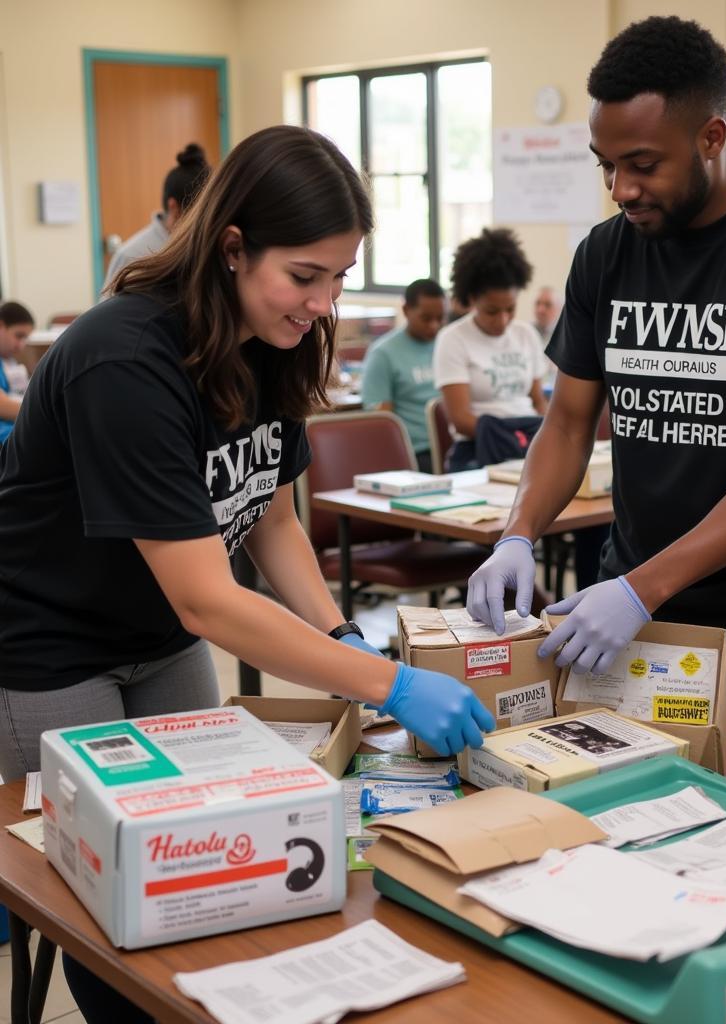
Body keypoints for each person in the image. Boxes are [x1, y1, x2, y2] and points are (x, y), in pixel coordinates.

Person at [0, 125, 494, 1023]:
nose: (323, 301)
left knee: (204, 855)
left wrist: (339, 634)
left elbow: (269, 516)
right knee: (105, 888)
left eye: (341, 275)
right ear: (232, 247)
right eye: (305, 275)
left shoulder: (274, 339)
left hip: (162, 635)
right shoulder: (126, 357)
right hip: (49, 644)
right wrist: (388, 677)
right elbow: (209, 596)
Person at [466, 16, 726, 710]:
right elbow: (567, 425)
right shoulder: (605, 254)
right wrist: (518, 533)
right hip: (628, 612)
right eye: (607, 164)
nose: (621, 187)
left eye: (643, 164)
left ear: (710, 137)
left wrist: (641, 588)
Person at [434, 227, 549, 470]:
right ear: (472, 299)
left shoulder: (526, 335)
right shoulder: (453, 339)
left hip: (528, 441)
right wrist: (511, 433)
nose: (503, 320)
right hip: (477, 449)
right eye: (492, 311)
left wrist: (541, 432)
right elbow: (461, 419)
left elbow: (539, 402)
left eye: (510, 309)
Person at [361, 278, 445, 472]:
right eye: (426, 318)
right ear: (406, 310)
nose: (434, 326)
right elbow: (381, 418)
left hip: (451, 444)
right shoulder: (383, 354)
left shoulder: (448, 345)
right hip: (416, 451)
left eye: (440, 318)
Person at [102, 143, 211, 288]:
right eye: (202, 212)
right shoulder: (131, 257)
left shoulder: (212, 248)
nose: (209, 220)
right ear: (174, 208)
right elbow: (110, 309)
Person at [0, 300, 34, 443]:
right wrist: (40, 411)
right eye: (18, 336)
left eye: (25, 338)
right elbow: (2, 406)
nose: (21, 345)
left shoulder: (6, 361)